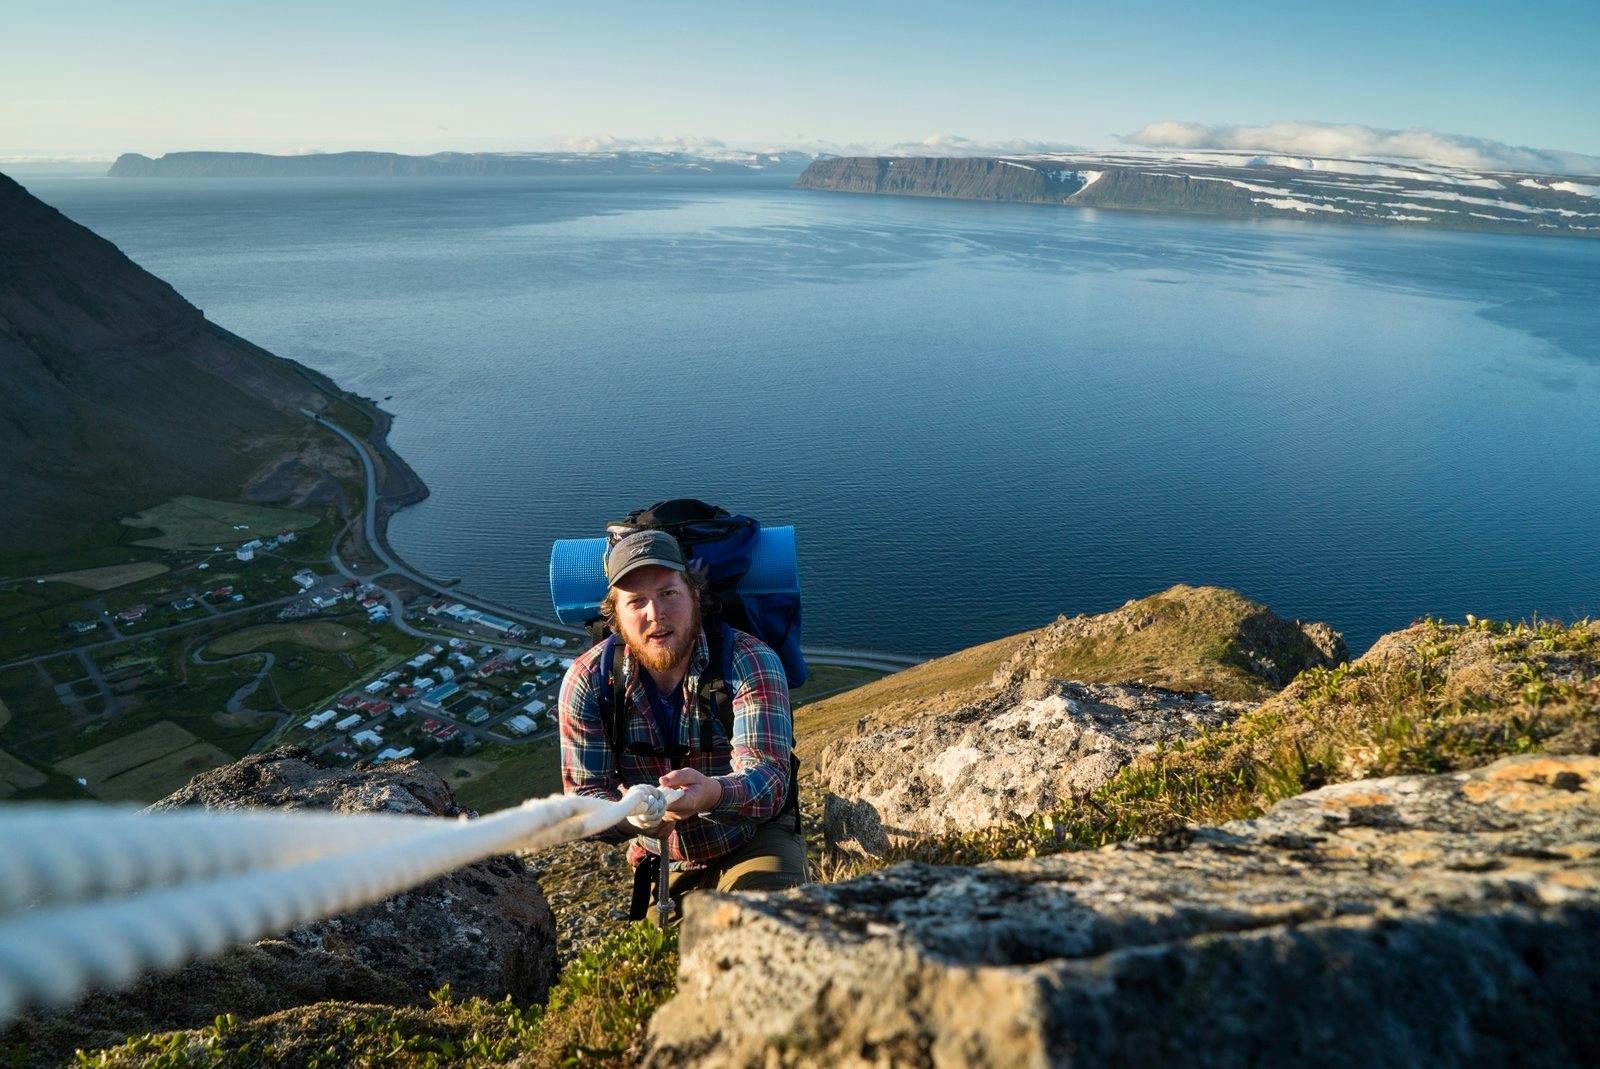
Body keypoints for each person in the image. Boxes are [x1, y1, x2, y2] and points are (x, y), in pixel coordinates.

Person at [557, 529, 805, 915]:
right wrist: (633, 816)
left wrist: (711, 794)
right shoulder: (590, 680)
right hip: (664, 858)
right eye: (636, 601)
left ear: (695, 596)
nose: (655, 614)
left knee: (766, 925)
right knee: (672, 963)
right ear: (617, 618)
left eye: (668, 593)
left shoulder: (750, 661)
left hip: (752, 837)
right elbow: (584, 799)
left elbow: (770, 779)